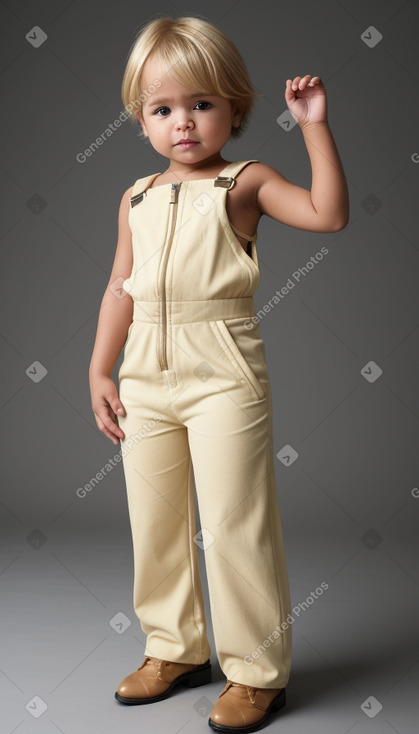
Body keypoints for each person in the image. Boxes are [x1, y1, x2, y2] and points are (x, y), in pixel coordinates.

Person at [89, 14, 349, 733]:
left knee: (235, 522)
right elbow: (121, 286)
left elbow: (328, 215)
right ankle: (173, 649)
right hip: (143, 372)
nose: (183, 123)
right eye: (163, 108)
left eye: (202, 104)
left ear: (234, 108)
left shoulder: (246, 181)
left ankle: (256, 671)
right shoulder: (135, 197)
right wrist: (98, 369)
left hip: (222, 370)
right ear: (139, 118)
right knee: (156, 520)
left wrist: (313, 127)